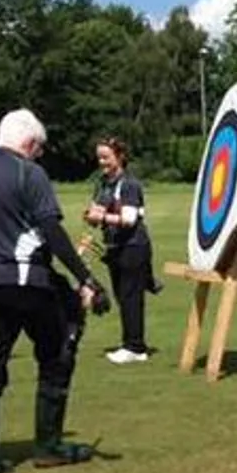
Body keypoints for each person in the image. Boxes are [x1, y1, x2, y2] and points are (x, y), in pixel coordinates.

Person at [0, 109, 110, 473]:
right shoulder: (29, 173)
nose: (40, 155)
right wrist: (87, 279)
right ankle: (49, 446)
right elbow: (52, 233)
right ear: (28, 143)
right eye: (38, 149)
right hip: (28, 284)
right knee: (58, 352)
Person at [83, 136, 156, 364]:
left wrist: (102, 216)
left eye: (106, 157)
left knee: (130, 296)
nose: (102, 162)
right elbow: (98, 211)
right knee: (123, 297)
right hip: (115, 247)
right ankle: (131, 344)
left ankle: (135, 347)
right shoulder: (103, 183)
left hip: (133, 247)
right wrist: (92, 217)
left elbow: (129, 219)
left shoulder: (129, 184)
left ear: (120, 157)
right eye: (99, 158)